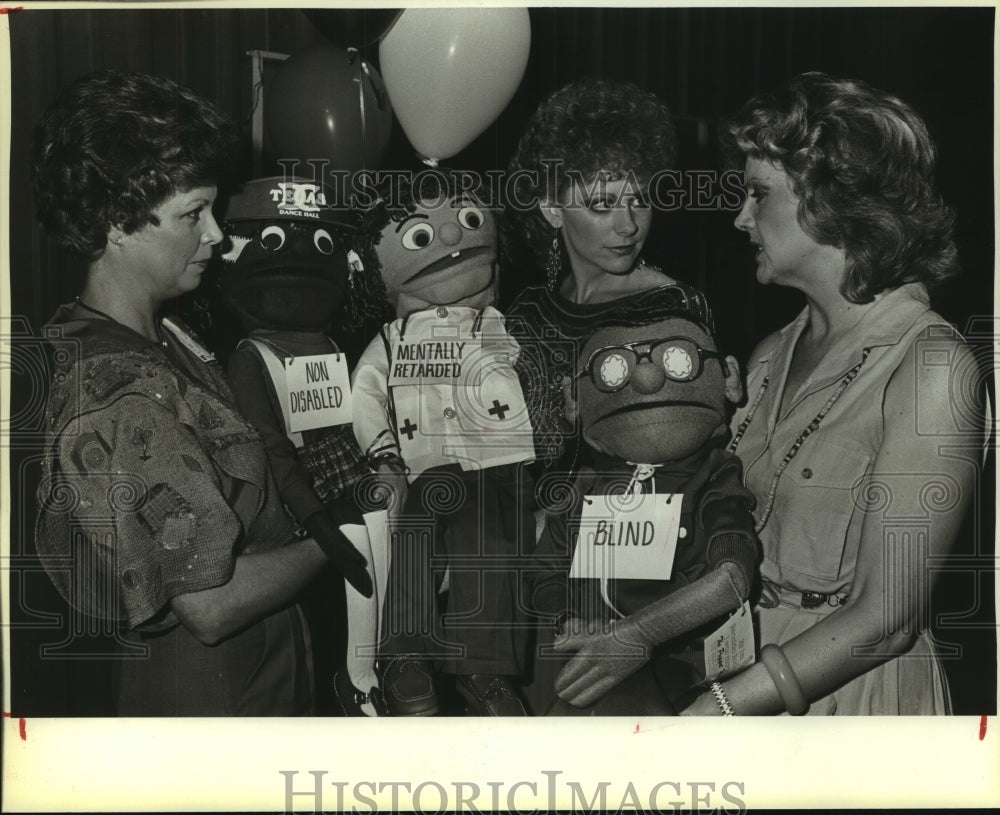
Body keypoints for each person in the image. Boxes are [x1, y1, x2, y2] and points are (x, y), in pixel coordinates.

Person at [32, 70, 345, 716]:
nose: (218, 236)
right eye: (193, 214)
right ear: (115, 221)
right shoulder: (117, 390)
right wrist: (338, 540)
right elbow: (209, 604)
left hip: (262, 685)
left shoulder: (165, 334)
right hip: (211, 708)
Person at [682, 72, 986, 716]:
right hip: (741, 683)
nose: (740, 218)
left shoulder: (933, 367)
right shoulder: (769, 355)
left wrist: (725, 708)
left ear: (831, 199)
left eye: (757, 195)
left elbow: (886, 619)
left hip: (854, 703)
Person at [503, 76, 740, 496]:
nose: (628, 225)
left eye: (639, 199)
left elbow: (697, 455)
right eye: (602, 204)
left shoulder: (670, 307)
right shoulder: (526, 314)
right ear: (551, 209)